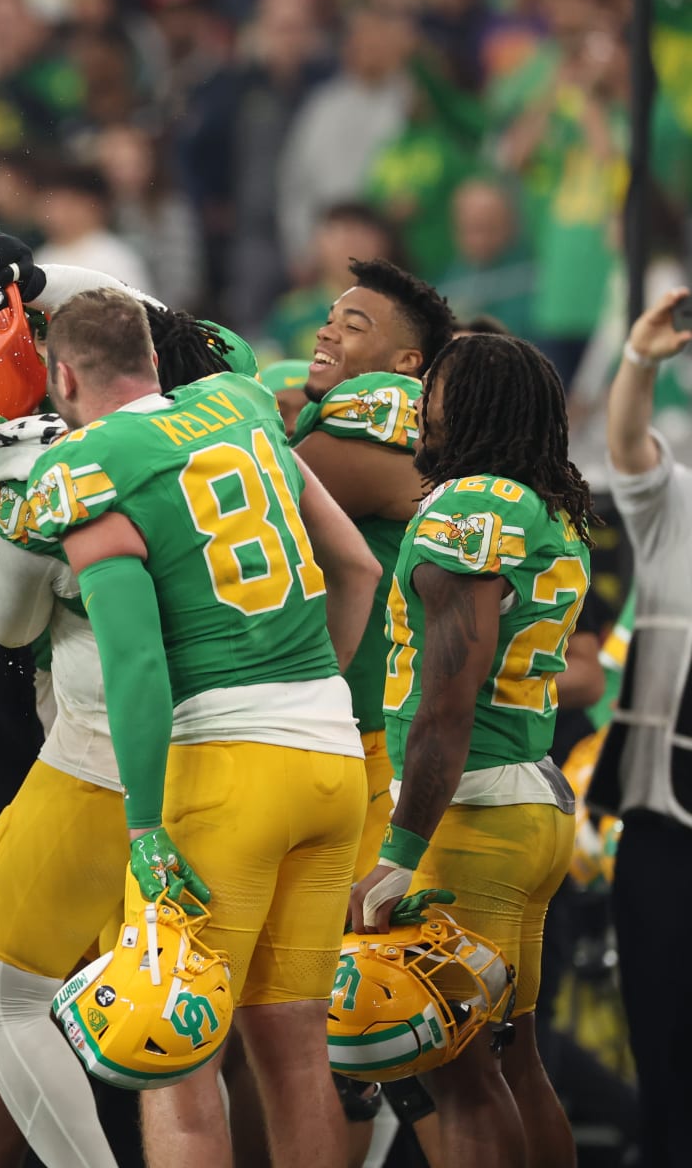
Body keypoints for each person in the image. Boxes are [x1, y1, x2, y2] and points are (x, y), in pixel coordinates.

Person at [0, 287, 379, 1167]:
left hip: (224, 775)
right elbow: (353, 565)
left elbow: (136, 662)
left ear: (61, 375)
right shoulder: (238, 403)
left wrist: (144, 823)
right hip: (331, 757)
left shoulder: (86, 465)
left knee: (174, 1057)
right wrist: (315, 703)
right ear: (158, 361)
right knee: (295, 1053)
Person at [354, 333, 596, 1168]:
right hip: (524, 805)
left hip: (474, 818)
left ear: (482, 407)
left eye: (441, 386)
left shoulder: (473, 509)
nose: (423, 399)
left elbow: (447, 701)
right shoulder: (542, 505)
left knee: (458, 1074)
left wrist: (399, 853)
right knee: (512, 1064)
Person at [288, 256, 457, 1154]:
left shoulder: (375, 421)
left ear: (404, 368)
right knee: (331, 1035)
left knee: (354, 1032)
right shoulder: (350, 419)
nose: (328, 330)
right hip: (349, 743)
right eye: (330, 315)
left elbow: (235, 496)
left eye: (355, 325)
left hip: (361, 749)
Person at [588, 287, 692, 1167]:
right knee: (662, 1057)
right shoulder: (676, 513)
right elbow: (626, 445)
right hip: (661, 833)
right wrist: (640, 361)